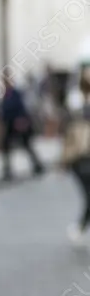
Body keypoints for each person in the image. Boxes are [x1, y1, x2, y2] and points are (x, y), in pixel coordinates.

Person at [62, 65, 90, 246]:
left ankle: (79, 228)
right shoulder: (77, 102)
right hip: (81, 157)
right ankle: (79, 227)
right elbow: (69, 134)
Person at [0, 69, 45, 180]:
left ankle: (37, 165)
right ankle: (7, 170)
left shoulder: (15, 93)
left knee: (26, 145)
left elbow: (21, 108)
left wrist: (21, 120)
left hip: (19, 123)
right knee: (6, 146)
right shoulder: (5, 94)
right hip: (10, 123)